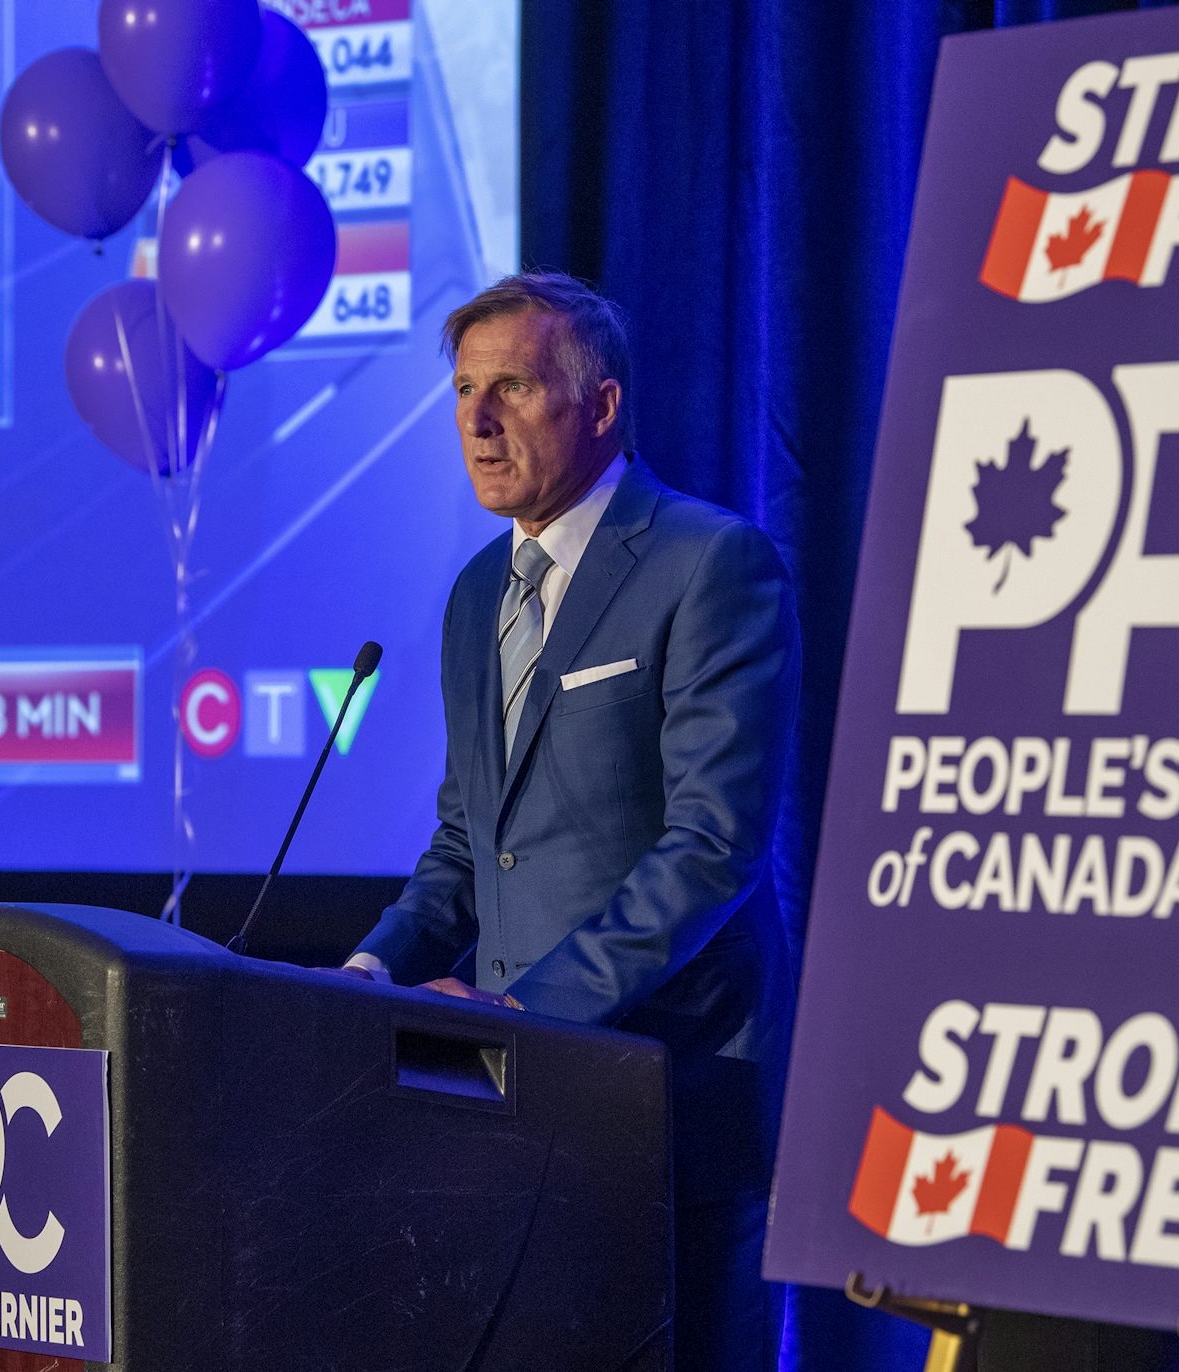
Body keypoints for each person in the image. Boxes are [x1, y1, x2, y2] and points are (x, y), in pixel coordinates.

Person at [339, 272, 800, 1370]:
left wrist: (519, 1007)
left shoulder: (710, 563)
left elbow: (713, 846)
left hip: (672, 1090)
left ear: (599, 407)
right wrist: (364, 971)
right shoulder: (471, 595)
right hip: (508, 1107)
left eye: (512, 388)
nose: (478, 420)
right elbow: (468, 840)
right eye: (461, 391)